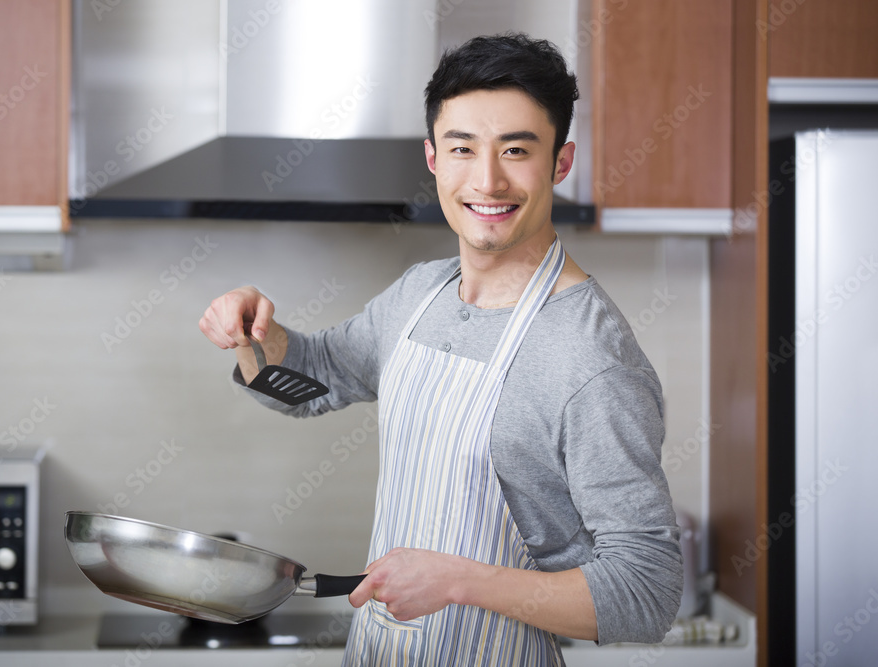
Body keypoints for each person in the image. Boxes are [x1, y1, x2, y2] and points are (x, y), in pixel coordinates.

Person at [200, 32, 682, 666]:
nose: (487, 179)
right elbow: (314, 380)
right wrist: (255, 332)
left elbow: (647, 594)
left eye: (516, 149)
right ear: (433, 159)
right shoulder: (420, 294)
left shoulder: (591, 360)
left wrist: (459, 582)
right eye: (463, 149)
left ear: (561, 163)